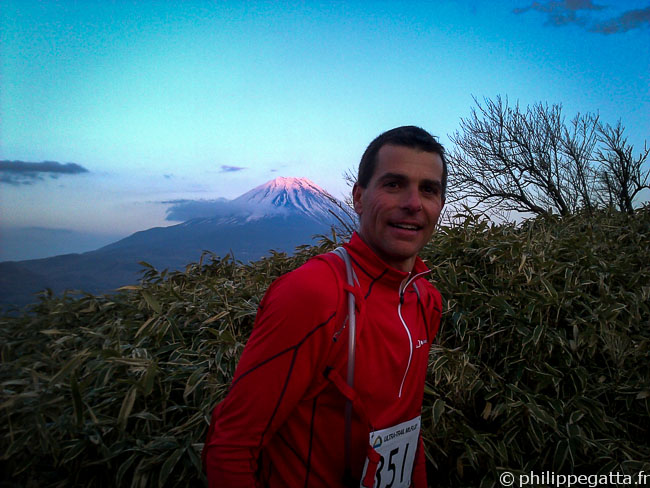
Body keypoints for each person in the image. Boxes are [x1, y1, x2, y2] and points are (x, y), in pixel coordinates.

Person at [203, 126, 447, 487]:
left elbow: (404, 428)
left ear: (440, 204)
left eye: (428, 189)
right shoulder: (314, 293)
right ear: (359, 197)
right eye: (394, 184)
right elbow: (231, 446)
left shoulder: (425, 298)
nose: (413, 203)